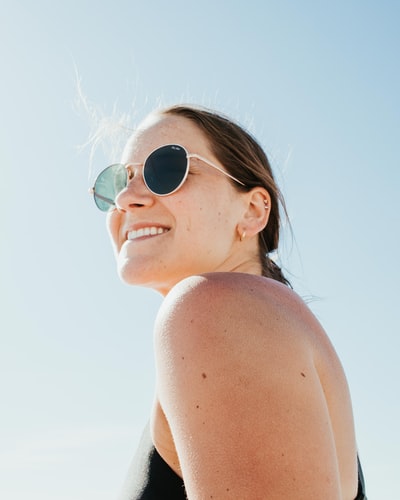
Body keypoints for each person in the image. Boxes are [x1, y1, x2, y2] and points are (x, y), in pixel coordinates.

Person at [90, 104, 367, 499]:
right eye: (119, 181)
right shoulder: (255, 323)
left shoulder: (212, 307)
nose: (127, 199)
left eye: (165, 170)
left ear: (253, 210)